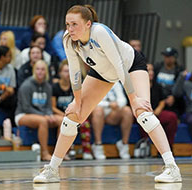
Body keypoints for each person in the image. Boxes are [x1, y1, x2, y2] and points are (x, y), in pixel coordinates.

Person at [33, 5, 181, 183]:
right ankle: (53, 170)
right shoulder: (68, 39)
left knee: (143, 113)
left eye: (74, 24)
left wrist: (133, 100)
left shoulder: (100, 32)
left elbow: (119, 66)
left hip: (130, 66)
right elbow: (75, 72)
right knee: (72, 116)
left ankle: (172, 167)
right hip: (102, 72)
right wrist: (77, 102)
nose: (70, 29)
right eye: (67, 24)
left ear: (88, 24)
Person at [15, 60, 63, 161]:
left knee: (63, 121)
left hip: (42, 115)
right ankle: (44, 153)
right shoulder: (26, 85)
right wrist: (44, 115)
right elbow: (26, 107)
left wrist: (49, 114)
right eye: (37, 69)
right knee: (43, 121)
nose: (40, 72)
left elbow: (49, 107)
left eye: (42, 69)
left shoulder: (48, 87)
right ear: (34, 71)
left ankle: (59, 154)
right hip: (23, 115)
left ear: (46, 72)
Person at [52, 60, 93, 160]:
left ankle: (86, 150)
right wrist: (65, 115)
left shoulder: (75, 86)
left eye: (69, 71)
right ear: (60, 73)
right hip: (60, 113)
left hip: (73, 113)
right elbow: (52, 107)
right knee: (65, 122)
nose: (67, 74)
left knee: (85, 122)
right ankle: (65, 152)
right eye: (65, 71)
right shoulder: (55, 87)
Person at [136, 64, 178, 156]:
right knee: (144, 119)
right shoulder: (137, 85)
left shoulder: (157, 85)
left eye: (152, 70)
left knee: (171, 117)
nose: (151, 73)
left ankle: (167, 148)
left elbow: (162, 100)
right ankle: (145, 146)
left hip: (156, 112)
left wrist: (158, 109)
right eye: (148, 70)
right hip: (143, 113)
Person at [91, 82, 133, 160]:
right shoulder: (93, 80)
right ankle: (98, 145)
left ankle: (124, 144)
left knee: (127, 110)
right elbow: (92, 101)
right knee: (98, 111)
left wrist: (117, 105)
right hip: (98, 110)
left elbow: (123, 100)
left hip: (112, 112)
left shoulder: (116, 82)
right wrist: (109, 104)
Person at [154, 47, 185, 116]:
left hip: (172, 99)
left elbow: (180, 88)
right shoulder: (158, 67)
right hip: (157, 97)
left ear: (174, 57)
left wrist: (173, 97)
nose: (167, 58)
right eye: (165, 56)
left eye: (169, 56)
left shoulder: (179, 70)